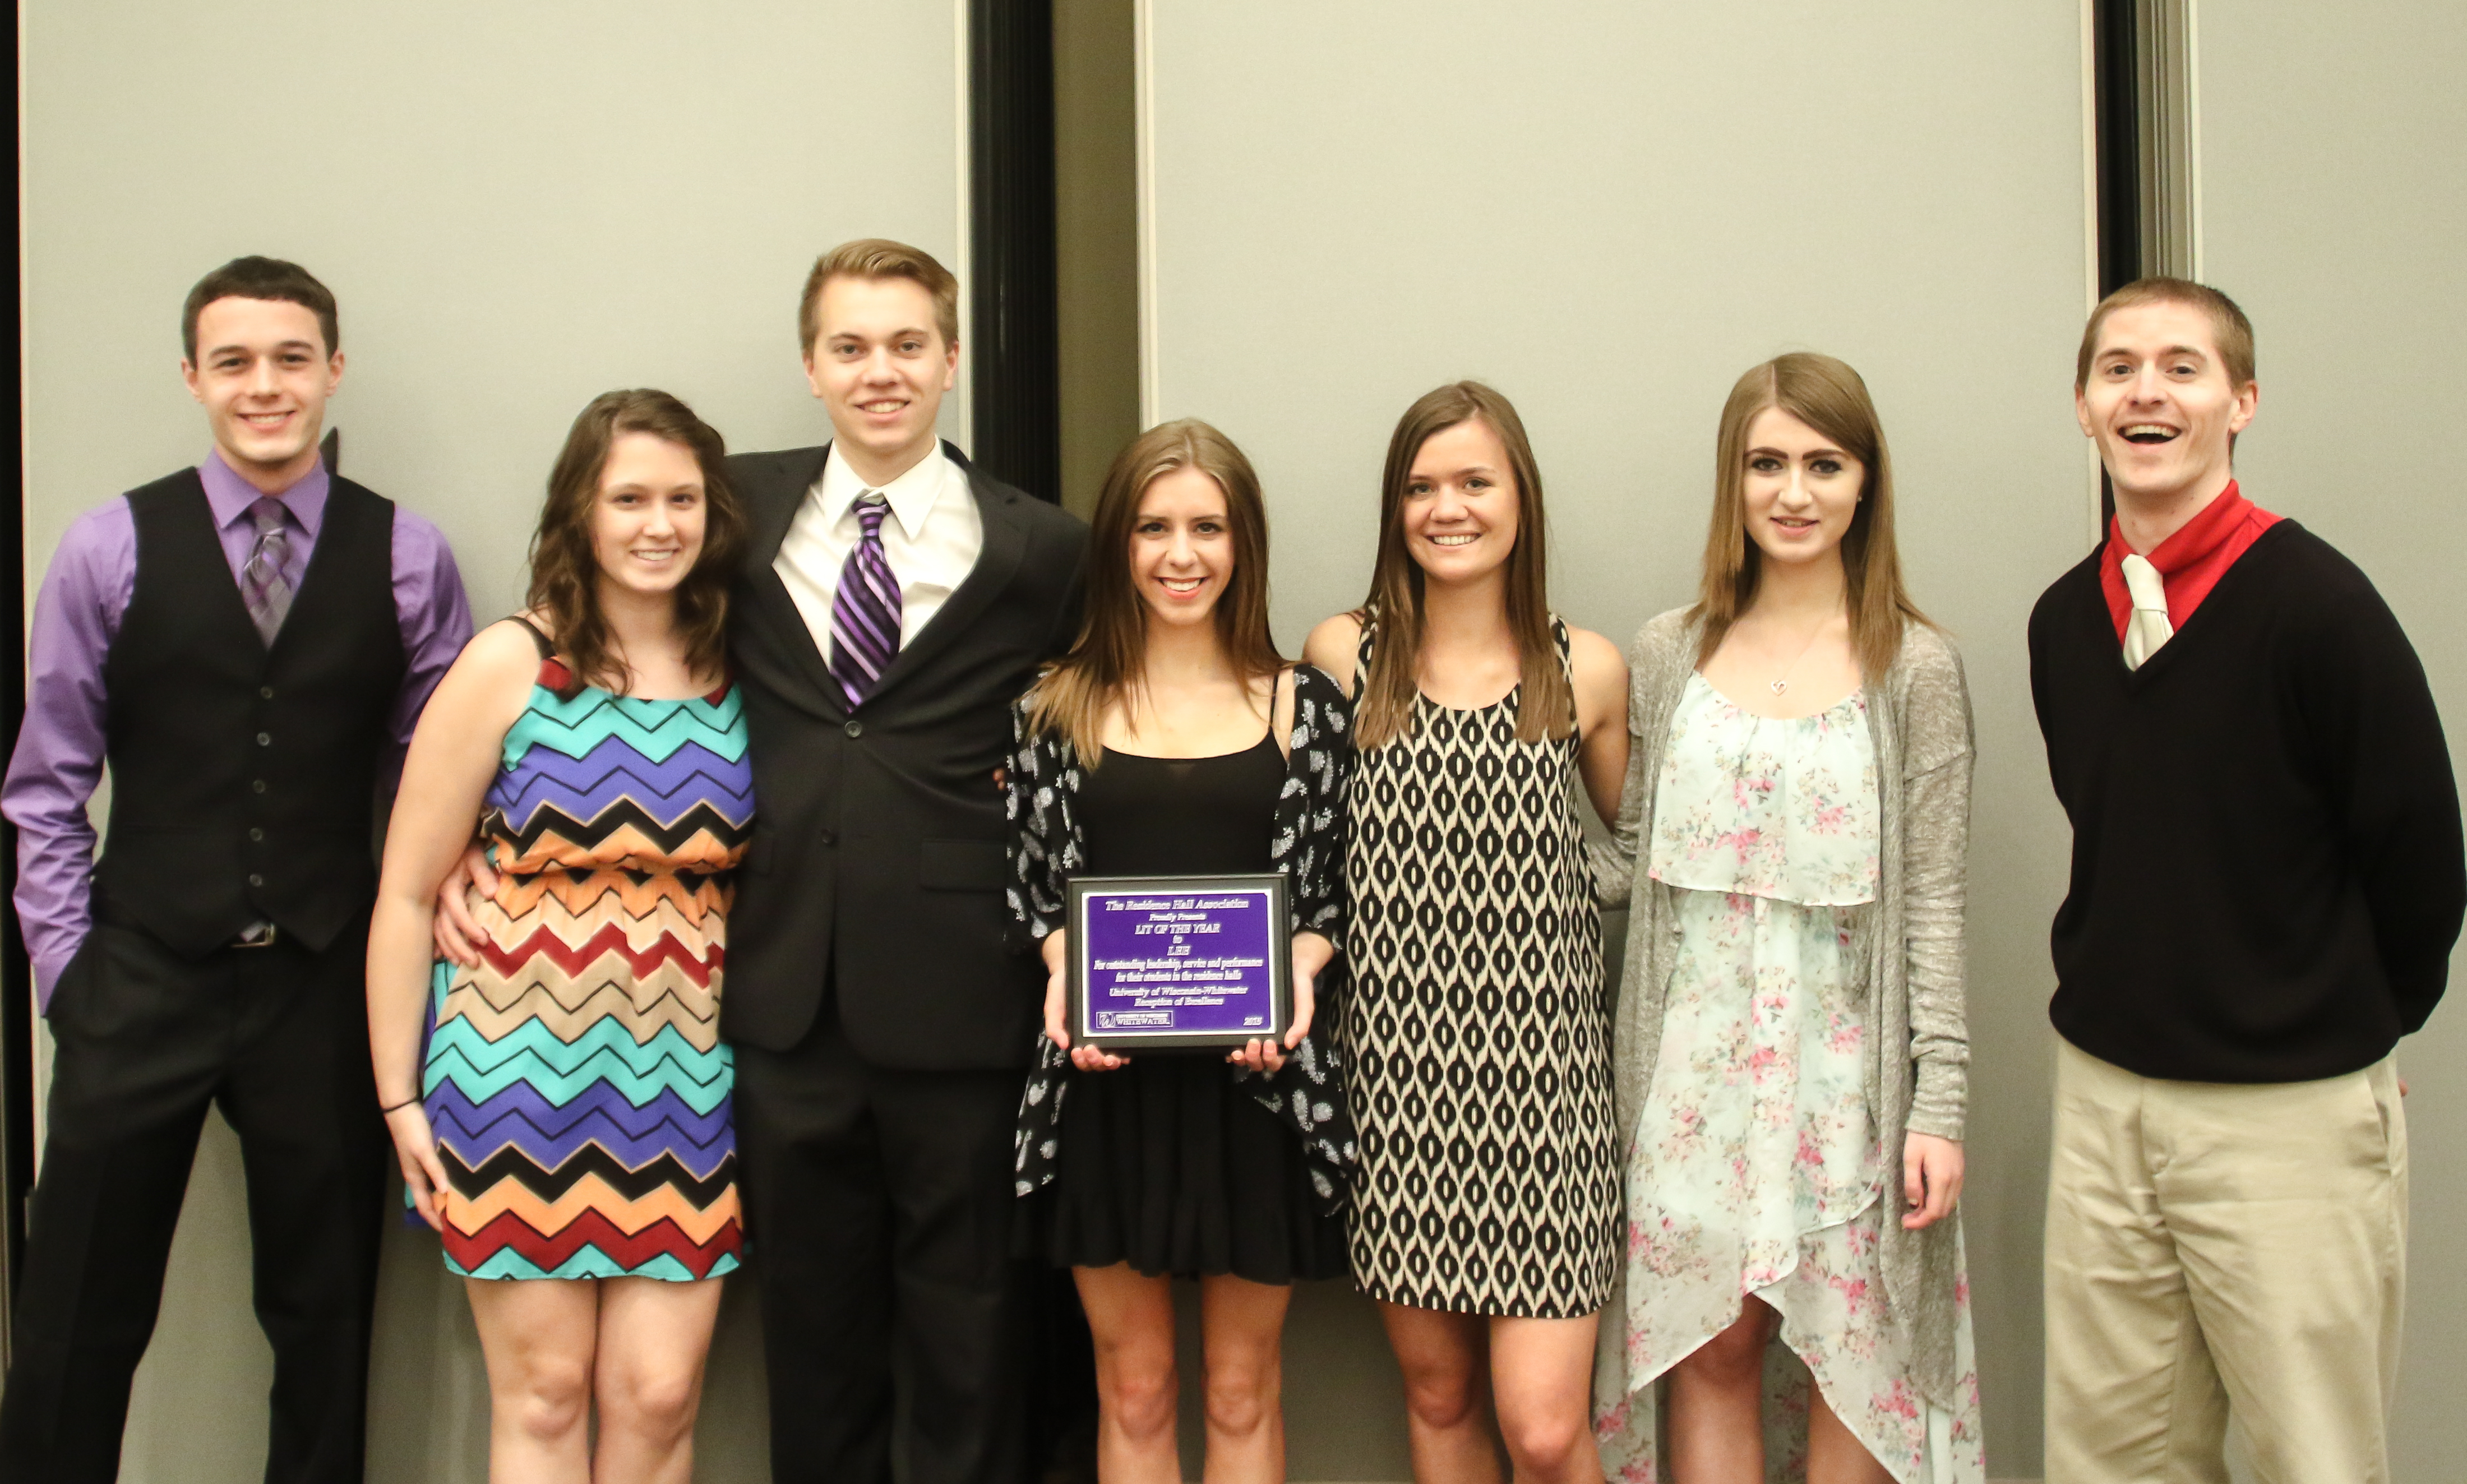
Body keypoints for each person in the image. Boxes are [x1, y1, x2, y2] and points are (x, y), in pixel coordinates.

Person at [441, 239, 1089, 1484]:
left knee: (971, 1334)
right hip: (774, 996)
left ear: (950, 359)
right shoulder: (727, 511)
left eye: (908, 344)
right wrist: (486, 838)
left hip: (964, 995)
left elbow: (1101, 723)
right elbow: (598, 656)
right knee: (811, 1338)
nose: (880, 371)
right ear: (811, 365)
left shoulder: (1041, 547)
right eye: (851, 347)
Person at [0, 256, 472, 1482]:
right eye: (235, 362)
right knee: (73, 1322)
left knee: (324, 1325)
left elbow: (445, 797)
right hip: (141, 976)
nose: (265, 385)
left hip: (320, 990)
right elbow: (44, 784)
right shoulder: (109, 546)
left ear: (332, 368)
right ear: (195, 378)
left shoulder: (409, 559)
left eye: (290, 358)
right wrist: (69, 977)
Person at [2031, 279, 2462, 1484]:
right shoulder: (2066, 622)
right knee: (2109, 1457)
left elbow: (2423, 866)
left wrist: (2339, 1032)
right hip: (2107, 1103)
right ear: (2081, 407)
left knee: (2311, 1457)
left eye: (2182, 366)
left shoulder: (2321, 610)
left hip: (2284, 1116)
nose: (2147, 392)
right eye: (2118, 369)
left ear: (2242, 401)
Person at [1590, 353, 1984, 1484]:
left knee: (1852, 1360)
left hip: (1849, 1088)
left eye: (1824, 462)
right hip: (1691, 1082)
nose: (1794, 491)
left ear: (1866, 483)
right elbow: (1630, 868)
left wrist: (1939, 1100)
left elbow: (1935, 905)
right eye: (1767, 463)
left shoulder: (1914, 668)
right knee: (1711, 1353)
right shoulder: (1670, 652)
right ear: (1734, 481)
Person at [375, 389, 750, 1481]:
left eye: (682, 498)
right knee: (540, 1401)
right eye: (627, 496)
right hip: (516, 1084)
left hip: (690, 1083)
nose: (657, 523)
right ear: (579, 512)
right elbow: (405, 894)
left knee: (662, 1397)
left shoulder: (749, 671)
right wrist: (399, 1096)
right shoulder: (510, 661)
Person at [1006, 418, 1355, 1483]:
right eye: (1154, 527)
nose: (1181, 553)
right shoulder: (1049, 707)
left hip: (1260, 1095)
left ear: (1243, 542)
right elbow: (1034, 893)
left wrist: (1300, 968)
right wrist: (1067, 974)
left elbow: (1333, 892)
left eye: (1207, 526)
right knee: (1137, 1386)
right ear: (1119, 542)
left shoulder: (1308, 705)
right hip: (1103, 1094)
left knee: (1243, 1390)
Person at [1300, 381, 1628, 1484]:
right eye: (1421, 486)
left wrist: (1565, 893)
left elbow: (1651, 855)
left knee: (1542, 1426)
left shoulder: (1585, 666)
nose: (1448, 507)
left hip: (1548, 1100)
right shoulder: (1345, 656)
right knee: (1439, 1399)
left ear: (1519, 499)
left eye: (1474, 482)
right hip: (1398, 1090)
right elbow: (1302, 860)